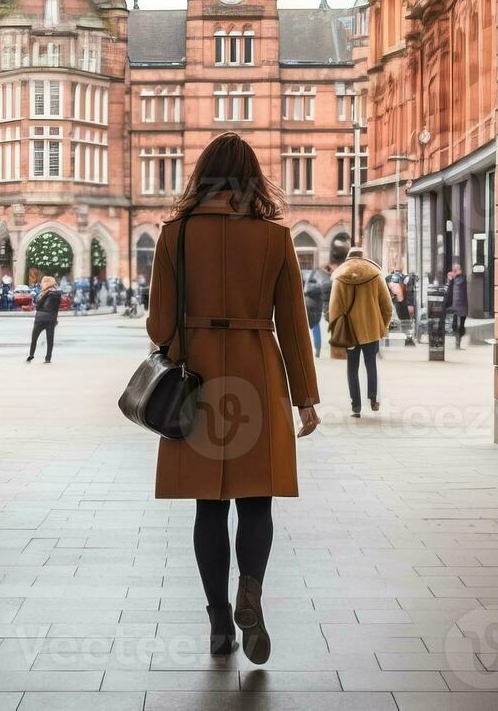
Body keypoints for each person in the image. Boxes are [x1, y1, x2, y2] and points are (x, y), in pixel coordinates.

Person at [146, 132, 320, 665]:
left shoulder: (174, 235)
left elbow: (158, 323)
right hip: (258, 371)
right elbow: (293, 323)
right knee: (257, 498)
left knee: (208, 505)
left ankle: (219, 621)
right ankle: (252, 592)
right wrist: (305, 398)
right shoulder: (275, 237)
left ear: (201, 175)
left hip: (197, 375)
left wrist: (180, 345)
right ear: (251, 178)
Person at [329, 247, 393, 418]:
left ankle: (355, 406)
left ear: (348, 258)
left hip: (349, 333)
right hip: (371, 330)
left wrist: (336, 330)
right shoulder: (375, 274)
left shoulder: (339, 276)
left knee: (352, 368)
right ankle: (373, 399)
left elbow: (334, 309)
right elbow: (387, 307)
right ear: (363, 257)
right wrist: (382, 326)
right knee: (371, 364)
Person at [27, 275, 62, 363]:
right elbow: (56, 309)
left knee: (34, 338)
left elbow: (37, 305)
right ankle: (48, 358)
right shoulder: (57, 293)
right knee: (50, 340)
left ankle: (31, 355)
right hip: (51, 319)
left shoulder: (43, 293)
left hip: (40, 318)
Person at [304, 263, 332, 357]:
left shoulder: (311, 274)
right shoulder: (326, 278)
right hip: (317, 305)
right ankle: (317, 350)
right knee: (315, 327)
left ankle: (305, 349)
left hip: (307, 303)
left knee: (305, 327)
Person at [445, 264, 470, 349]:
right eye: (453, 270)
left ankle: (458, 343)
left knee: (461, 325)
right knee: (456, 325)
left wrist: (452, 277)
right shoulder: (454, 279)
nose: (453, 272)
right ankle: (457, 343)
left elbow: (459, 283)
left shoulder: (461, 278)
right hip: (456, 305)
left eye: (455, 270)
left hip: (461, 305)